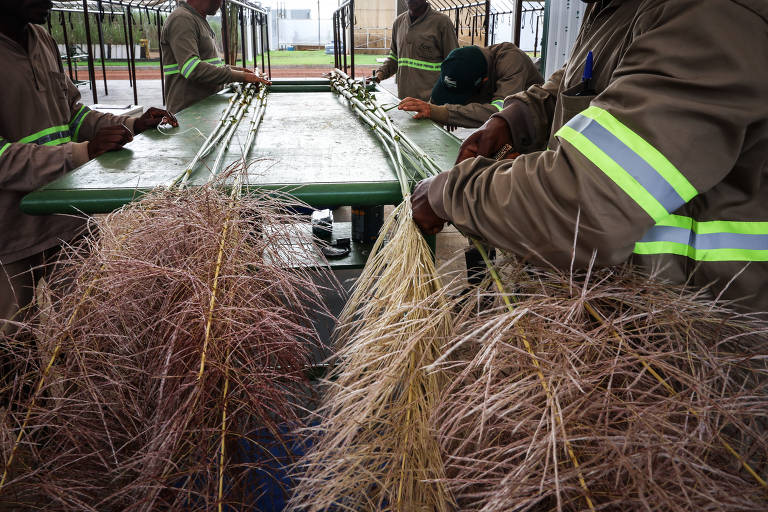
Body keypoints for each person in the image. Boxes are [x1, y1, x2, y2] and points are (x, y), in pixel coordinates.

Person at [412, 0, 768, 313]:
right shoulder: (615, 9)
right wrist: (517, 116)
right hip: (620, 311)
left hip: (695, 336)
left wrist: (449, 192)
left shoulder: (714, 15)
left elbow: (583, 205)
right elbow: (584, 79)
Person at [0, 0, 178, 329]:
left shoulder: (42, 39)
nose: (49, 1)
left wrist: (133, 123)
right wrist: (81, 153)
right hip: (11, 237)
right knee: (13, 353)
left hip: (69, 221)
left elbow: (73, 114)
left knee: (89, 336)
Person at [398, 43, 543, 128]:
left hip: (529, 124)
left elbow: (500, 113)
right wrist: (436, 112)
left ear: (484, 81)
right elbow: (434, 106)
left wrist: (448, 113)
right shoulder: (461, 62)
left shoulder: (512, 62)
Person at [161, 0, 270, 114]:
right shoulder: (182, 19)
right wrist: (241, 76)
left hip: (203, 111)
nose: (221, 3)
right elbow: (191, 68)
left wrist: (241, 71)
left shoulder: (197, 19)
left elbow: (210, 64)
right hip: (188, 114)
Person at [373, 0, 458, 101]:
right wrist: (379, 75)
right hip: (404, 100)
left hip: (431, 103)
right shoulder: (399, 22)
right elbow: (394, 58)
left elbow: (454, 64)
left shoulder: (442, 22)